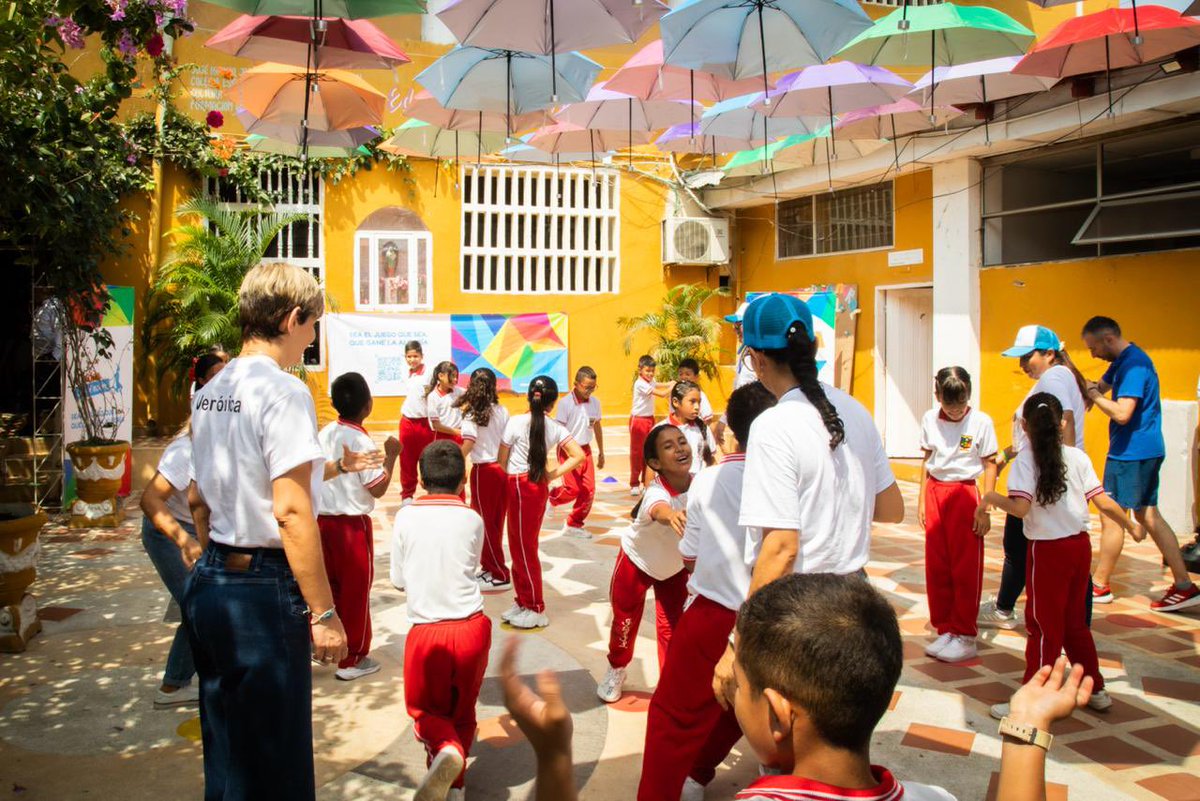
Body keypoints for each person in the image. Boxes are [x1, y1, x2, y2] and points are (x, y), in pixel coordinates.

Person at [501, 579, 1095, 801]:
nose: (731, 694)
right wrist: (1026, 732)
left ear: (779, 714)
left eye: (740, 686)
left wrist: (555, 761)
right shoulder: (932, 796)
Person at [184, 262, 348, 801]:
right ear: (293, 317)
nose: (311, 338)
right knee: (276, 763)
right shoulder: (283, 391)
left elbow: (197, 495)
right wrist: (323, 612)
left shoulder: (210, 388)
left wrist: (212, 561)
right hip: (261, 589)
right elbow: (293, 511)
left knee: (229, 752)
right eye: (312, 325)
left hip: (214, 583)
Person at [713, 293, 904, 702]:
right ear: (813, 348)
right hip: (857, 600)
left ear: (758, 360)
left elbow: (781, 548)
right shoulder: (856, 410)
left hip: (801, 610)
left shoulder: (772, 425)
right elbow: (892, 508)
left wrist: (738, 642)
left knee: (794, 737)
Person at [638, 382, 777, 801]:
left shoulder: (711, 480)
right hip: (779, 615)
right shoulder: (795, 476)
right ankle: (698, 773)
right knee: (747, 705)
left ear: (729, 430)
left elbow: (691, 558)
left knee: (673, 718)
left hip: (717, 612)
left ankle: (672, 786)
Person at [977, 393, 1135, 721]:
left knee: (1043, 626)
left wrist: (991, 497)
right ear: (1061, 422)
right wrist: (1130, 525)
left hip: (1047, 551)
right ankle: (1095, 687)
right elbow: (1103, 501)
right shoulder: (1077, 457)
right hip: (1079, 548)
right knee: (1075, 623)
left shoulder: (1024, 461)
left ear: (1024, 426)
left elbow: (1020, 509)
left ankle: (1032, 695)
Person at [392, 441, 491, 801]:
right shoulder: (472, 518)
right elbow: (474, 566)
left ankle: (447, 750)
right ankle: (456, 788)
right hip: (472, 627)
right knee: (462, 711)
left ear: (419, 479)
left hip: (428, 631)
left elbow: (399, 579)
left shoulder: (405, 517)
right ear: (464, 481)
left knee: (426, 712)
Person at [1081, 316, 1200, 612]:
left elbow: (1122, 413)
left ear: (1108, 339)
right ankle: (1184, 585)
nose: (1092, 354)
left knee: (1112, 516)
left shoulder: (1134, 366)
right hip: (1139, 450)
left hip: (1131, 453)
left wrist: (1094, 395)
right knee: (1148, 515)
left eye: (1094, 347)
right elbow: (1101, 385)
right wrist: (1086, 385)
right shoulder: (1123, 361)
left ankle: (1099, 585)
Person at [980, 325, 1091, 629]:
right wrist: (1008, 453)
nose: (1022, 365)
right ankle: (1073, 623)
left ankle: (1007, 610)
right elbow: (1039, 430)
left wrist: (1062, 468)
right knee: (1059, 549)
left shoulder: (1054, 378)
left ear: (1049, 353)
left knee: (1019, 547)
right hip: (1047, 477)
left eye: (1028, 357)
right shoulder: (1059, 376)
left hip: (1043, 481)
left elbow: (1063, 421)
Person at [139, 350, 228, 710]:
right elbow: (149, 500)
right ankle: (174, 686)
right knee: (198, 606)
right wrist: (184, 541)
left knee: (201, 604)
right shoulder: (185, 449)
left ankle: (186, 678)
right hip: (167, 534)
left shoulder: (219, 444)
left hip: (196, 529)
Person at [598, 424, 693, 704]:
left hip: (674, 568)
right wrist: (671, 516)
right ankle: (617, 668)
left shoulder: (700, 484)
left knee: (674, 627)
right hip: (636, 562)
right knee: (625, 621)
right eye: (668, 446)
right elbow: (658, 509)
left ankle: (671, 683)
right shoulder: (655, 491)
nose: (679, 448)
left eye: (682, 441)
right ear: (654, 463)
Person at [316, 372, 401, 681]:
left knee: (329, 589)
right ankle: (352, 658)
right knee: (355, 591)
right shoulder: (360, 439)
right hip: (350, 526)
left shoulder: (325, 432)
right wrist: (391, 457)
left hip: (321, 523)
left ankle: (325, 646)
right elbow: (377, 487)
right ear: (368, 405)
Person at [918, 367, 999, 664]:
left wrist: (985, 507)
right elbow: (927, 460)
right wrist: (922, 500)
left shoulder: (981, 422)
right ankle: (946, 628)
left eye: (960, 404)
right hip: (935, 491)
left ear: (969, 395)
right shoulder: (929, 418)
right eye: (948, 404)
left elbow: (990, 464)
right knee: (938, 565)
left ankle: (965, 634)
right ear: (937, 396)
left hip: (966, 493)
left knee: (965, 567)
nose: (954, 411)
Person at [498, 376, 585, 629]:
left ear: (529, 397)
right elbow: (578, 455)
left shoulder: (515, 422)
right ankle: (523, 600)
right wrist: (551, 475)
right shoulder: (555, 427)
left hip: (519, 484)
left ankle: (535, 606)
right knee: (518, 547)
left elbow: (502, 459)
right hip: (533, 485)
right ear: (552, 402)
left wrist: (529, 474)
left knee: (523, 549)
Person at [458, 368, 512, 591]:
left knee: (486, 524)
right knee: (496, 523)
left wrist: (453, 460)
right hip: (501, 470)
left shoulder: (471, 414)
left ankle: (498, 573)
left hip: (484, 472)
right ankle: (490, 568)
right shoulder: (502, 411)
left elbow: (468, 445)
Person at [549, 366, 605, 539]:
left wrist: (601, 452)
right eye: (587, 387)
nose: (590, 391)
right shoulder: (566, 403)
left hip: (586, 450)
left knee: (589, 490)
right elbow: (558, 430)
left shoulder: (595, 403)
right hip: (568, 449)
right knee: (572, 489)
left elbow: (597, 426)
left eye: (593, 387)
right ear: (576, 384)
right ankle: (550, 498)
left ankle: (574, 523)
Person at [645, 379, 717, 483]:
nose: (697, 407)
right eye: (692, 402)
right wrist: (649, 495)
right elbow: (651, 468)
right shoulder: (660, 430)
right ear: (675, 402)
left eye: (699, 402)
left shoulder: (703, 428)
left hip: (698, 488)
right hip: (671, 492)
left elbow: (712, 460)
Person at [713, 301, 758, 446]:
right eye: (734, 326)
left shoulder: (755, 356)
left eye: (739, 326)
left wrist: (723, 421)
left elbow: (741, 392)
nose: (735, 330)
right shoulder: (746, 353)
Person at [629, 355, 670, 496]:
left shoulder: (650, 381)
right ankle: (634, 483)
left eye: (652, 371)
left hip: (649, 420)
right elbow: (663, 393)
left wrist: (671, 382)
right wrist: (673, 386)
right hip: (638, 420)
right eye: (647, 371)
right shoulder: (640, 384)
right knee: (636, 453)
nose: (650, 374)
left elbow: (659, 385)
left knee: (648, 451)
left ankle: (645, 481)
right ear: (640, 370)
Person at [399, 340, 433, 506]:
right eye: (409, 356)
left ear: (422, 356)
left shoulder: (430, 374)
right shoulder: (406, 372)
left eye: (415, 356)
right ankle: (407, 495)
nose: (412, 360)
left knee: (428, 459)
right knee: (406, 460)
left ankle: (433, 492)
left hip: (425, 423)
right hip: (407, 422)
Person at [427, 361, 465, 444]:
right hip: (443, 437)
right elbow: (436, 425)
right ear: (440, 376)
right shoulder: (433, 397)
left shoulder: (458, 391)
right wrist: (459, 432)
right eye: (452, 376)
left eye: (456, 376)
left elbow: (474, 394)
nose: (455, 379)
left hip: (459, 436)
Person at [677, 357, 715, 426]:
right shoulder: (675, 395)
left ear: (696, 377)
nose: (683, 377)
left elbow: (707, 420)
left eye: (687, 374)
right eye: (680, 374)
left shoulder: (700, 395)